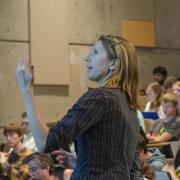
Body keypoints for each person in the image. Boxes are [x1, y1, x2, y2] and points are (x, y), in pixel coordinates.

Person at [16, 35, 141, 179]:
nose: (87, 58)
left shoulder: (101, 97)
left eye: (95, 52)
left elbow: (45, 143)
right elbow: (130, 167)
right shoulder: (128, 103)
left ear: (113, 64)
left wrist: (26, 90)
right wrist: (81, 163)